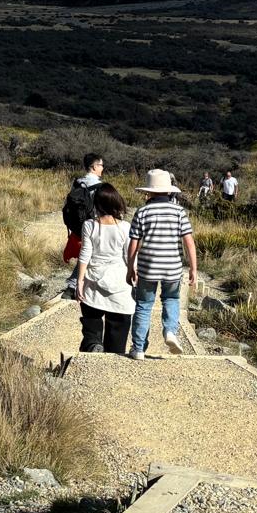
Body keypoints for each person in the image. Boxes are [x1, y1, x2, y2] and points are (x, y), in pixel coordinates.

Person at [126, 168, 198, 359]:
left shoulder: (142, 212)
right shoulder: (179, 212)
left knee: (143, 305)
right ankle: (170, 331)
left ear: (148, 192)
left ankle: (138, 348)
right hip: (172, 267)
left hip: (147, 267)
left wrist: (130, 268)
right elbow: (189, 242)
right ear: (169, 190)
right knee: (171, 299)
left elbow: (133, 244)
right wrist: (193, 268)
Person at [76, 182, 133, 354]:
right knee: (118, 325)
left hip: (94, 280)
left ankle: (94, 343)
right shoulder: (125, 227)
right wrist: (133, 276)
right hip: (119, 282)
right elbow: (129, 256)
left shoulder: (89, 225)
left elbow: (85, 254)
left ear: (97, 204)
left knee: (91, 320)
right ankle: (113, 357)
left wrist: (79, 281)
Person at [60, 153, 105, 299]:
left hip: (78, 226)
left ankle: (74, 285)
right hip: (94, 225)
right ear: (94, 166)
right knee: (91, 255)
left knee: (85, 254)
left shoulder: (77, 183)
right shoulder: (98, 186)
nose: (102, 168)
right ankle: (74, 286)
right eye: (101, 165)